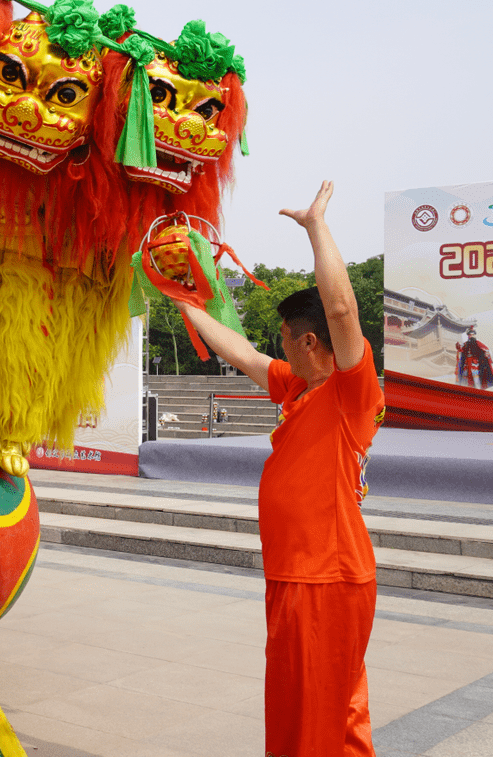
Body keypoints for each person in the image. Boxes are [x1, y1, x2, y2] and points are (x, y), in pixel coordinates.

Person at [174, 181, 383, 756]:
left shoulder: (348, 392)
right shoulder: (300, 386)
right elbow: (240, 352)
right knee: (329, 709)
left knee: (311, 717)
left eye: (287, 338)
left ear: (311, 341)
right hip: (301, 576)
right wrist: (186, 304)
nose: (280, 346)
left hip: (325, 578)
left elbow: (342, 308)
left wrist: (316, 226)